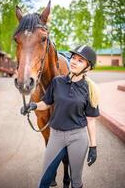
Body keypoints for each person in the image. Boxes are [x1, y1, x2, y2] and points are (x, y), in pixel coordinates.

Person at [21, 45, 100, 188]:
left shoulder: (90, 89)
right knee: (44, 179)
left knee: (76, 181)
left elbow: (91, 119)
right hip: (56, 136)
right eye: (73, 58)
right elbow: (46, 103)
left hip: (78, 137)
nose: (74, 62)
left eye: (80, 60)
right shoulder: (57, 82)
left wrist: (93, 146)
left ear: (88, 68)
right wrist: (33, 105)